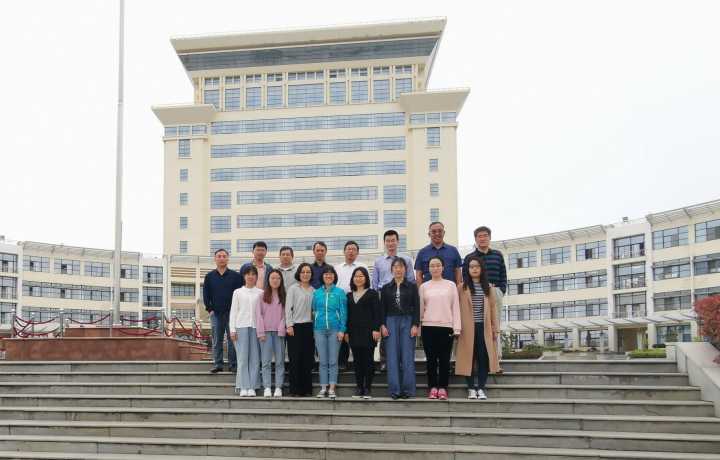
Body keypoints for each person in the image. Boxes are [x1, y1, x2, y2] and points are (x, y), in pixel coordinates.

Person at [455, 256, 500, 400]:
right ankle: (471, 388)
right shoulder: (461, 288)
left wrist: (495, 329)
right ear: (467, 270)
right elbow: (456, 309)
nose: (474, 269)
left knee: (483, 358)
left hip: (484, 327)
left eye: (477, 266)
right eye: (471, 266)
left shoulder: (489, 288)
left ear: (481, 269)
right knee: (468, 357)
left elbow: (493, 309)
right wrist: (456, 328)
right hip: (466, 328)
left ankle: (481, 388)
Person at [463, 226, 507, 366]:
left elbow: (503, 275)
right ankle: (473, 359)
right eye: (479, 236)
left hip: (494, 293)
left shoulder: (498, 255)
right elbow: (465, 277)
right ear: (475, 239)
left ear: (490, 237)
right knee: (474, 327)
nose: (482, 238)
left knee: (494, 325)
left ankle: (496, 359)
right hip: (475, 294)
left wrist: (501, 290)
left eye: (485, 235)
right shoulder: (470, 257)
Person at [419, 256, 461, 400]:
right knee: (431, 360)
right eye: (432, 265)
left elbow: (455, 307)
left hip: (446, 327)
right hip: (428, 327)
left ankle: (443, 387)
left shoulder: (451, 285)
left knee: (444, 359)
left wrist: (457, 328)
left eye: (438, 265)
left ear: (443, 267)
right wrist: (419, 328)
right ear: (428, 269)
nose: (435, 268)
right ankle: (432, 387)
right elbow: (421, 309)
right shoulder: (423, 287)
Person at [379, 257, 420, 399]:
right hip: (390, 321)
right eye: (395, 267)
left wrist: (415, 324)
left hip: (407, 321)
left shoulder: (412, 287)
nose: (398, 269)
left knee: (407, 356)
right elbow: (382, 308)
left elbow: (417, 306)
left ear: (405, 269)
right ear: (391, 270)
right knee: (392, 356)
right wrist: (382, 325)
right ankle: (395, 390)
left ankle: (408, 390)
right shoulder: (385, 288)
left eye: (401, 266)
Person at [203, 248, 242, 373]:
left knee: (233, 340)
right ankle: (218, 364)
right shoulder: (209, 277)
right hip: (216, 313)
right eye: (219, 256)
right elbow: (206, 295)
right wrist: (210, 310)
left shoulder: (236, 276)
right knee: (217, 340)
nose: (221, 258)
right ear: (215, 259)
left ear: (228, 258)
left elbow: (240, 294)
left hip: (232, 314)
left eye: (224, 256)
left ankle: (233, 364)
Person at [345, 267, 381, 399]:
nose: (358, 278)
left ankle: (367, 388)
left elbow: (377, 313)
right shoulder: (348, 295)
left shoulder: (372, 294)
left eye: (361, 276)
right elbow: (346, 316)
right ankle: (359, 387)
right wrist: (346, 332)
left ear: (366, 278)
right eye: (356, 276)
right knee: (357, 361)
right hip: (353, 332)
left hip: (369, 332)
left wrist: (376, 329)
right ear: (352, 278)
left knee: (368, 360)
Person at [311, 265, 347, 399]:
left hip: (335, 329)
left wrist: (342, 330)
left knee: (333, 360)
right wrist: (314, 327)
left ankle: (332, 388)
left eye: (331, 274)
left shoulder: (340, 292)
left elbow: (343, 312)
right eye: (326, 274)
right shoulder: (317, 293)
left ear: (334, 276)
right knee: (322, 361)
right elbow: (313, 310)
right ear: (322, 277)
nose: (328, 276)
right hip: (319, 330)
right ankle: (323, 388)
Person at [229, 266, 263, 396]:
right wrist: (232, 329)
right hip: (240, 327)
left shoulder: (260, 293)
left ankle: (253, 387)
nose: (250, 276)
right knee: (242, 358)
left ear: (256, 277)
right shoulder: (238, 292)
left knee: (255, 358)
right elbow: (233, 311)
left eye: (253, 274)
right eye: (248, 274)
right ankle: (243, 386)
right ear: (244, 276)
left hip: (256, 328)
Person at [334, 241, 366, 369]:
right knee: (342, 329)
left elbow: (368, 284)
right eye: (348, 249)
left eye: (353, 249)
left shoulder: (362, 266)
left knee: (356, 328)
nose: (351, 251)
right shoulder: (337, 268)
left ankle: (360, 359)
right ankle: (342, 360)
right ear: (344, 251)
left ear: (357, 252)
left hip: (358, 301)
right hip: (341, 302)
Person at [285, 263, 315, 397]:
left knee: (307, 359)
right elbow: (288, 308)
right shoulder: (293, 289)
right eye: (303, 272)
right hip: (295, 327)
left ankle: (307, 389)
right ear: (299, 274)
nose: (305, 274)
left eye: (308, 272)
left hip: (309, 327)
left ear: (311, 274)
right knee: (295, 358)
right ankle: (295, 389)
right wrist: (289, 325)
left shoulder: (314, 290)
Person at [256, 269, 286, 398]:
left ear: (281, 280)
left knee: (280, 361)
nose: (275, 280)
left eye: (278, 278)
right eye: (272, 278)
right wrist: (261, 332)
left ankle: (278, 387)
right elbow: (258, 315)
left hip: (279, 333)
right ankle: (267, 387)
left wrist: (281, 328)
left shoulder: (284, 296)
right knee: (266, 362)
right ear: (268, 280)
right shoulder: (262, 296)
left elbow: (285, 315)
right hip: (266, 333)